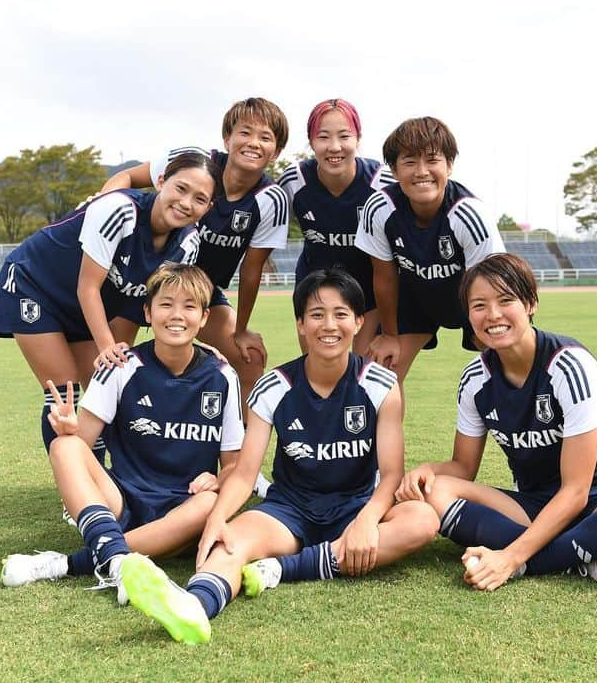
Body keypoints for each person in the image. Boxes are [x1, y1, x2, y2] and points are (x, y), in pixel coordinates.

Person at [115, 268, 439, 645]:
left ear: (358, 321)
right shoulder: (274, 386)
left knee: (421, 520)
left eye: (340, 314)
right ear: (301, 325)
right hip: (291, 511)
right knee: (229, 543)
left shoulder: (380, 384)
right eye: (317, 315)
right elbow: (243, 473)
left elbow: (391, 474)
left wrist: (367, 520)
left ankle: (280, 570)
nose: (328, 325)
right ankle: (194, 607)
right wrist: (218, 518)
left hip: (354, 506)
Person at [396, 253, 597, 590]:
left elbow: (576, 491)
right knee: (435, 491)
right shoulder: (475, 379)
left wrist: (511, 558)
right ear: (468, 315)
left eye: (506, 300)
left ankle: (534, 559)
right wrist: (427, 470)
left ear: (530, 303)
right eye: (479, 306)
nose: (493, 315)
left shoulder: (570, 366)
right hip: (532, 507)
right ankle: (586, 554)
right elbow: (463, 466)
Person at [1, 264, 244, 600]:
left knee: (211, 503)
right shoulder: (121, 366)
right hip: (122, 502)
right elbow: (81, 446)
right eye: (166, 304)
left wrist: (218, 479)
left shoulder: (222, 377)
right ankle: (117, 561)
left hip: (182, 510)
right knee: (64, 448)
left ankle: (69, 564)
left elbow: (233, 465)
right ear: (147, 312)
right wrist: (72, 430)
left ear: (204, 318)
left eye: (189, 307)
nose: (177, 315)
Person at [0, 152, 219, 459]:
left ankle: (97, 478)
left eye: (199, 199)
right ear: (162, 181)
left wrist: (199, 351)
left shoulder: (188, 244)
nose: (185, 203)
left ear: (208, 208)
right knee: (63, 391)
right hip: (35, 285)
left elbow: (157, 309)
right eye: (181, 188)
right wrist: (105, 346)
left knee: (105, 389)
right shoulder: (119, 209)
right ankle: (77, 488)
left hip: (87, 304)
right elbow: (88, 286)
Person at [98, 98, 290, 419]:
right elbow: (128, 177)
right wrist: (103, 205)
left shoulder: (272, 199)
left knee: (250, 358)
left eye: (266, 137)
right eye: (245, 132)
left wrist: (241, 329)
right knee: (111, 363)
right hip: (141, 277)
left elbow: (252, 269)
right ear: (227, 138)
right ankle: (109, 451)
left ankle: (238, 460)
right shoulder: (194, 164)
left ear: (277, 151)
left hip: (199, 290)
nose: (253, 143)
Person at [355, 116, 504, 384]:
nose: (421, 171)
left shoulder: (469, 214)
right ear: (394, 169)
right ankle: (388, 427)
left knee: (506, 369)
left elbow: (491, 284)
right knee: (378, 376)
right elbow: (384, 277)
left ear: (449, 165)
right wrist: (389, 335)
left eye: (432, 160)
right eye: (410, 161)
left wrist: (493, 336)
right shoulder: (379, 208)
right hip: (416, 298)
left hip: (472, 296)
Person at [278, 98, 395, 354]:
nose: (334, 147)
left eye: (344, 136)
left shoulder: (381, 183)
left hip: (369, 293)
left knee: (371, 376)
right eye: (323, 137)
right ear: (311, 142)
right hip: (314, 290)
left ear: (358, 139)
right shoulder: (294, 180)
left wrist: (390, 331)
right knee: (317, 370)